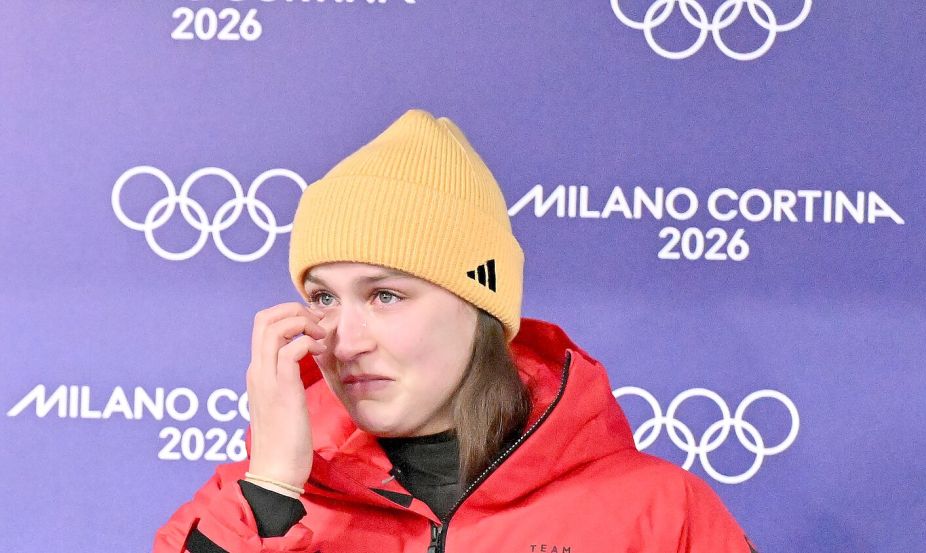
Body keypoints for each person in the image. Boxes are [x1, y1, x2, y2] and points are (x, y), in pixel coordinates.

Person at [154, 109, 758, 553]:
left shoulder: (658, 513)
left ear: (480, 306)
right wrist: (270, 490)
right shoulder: (243, 510)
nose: (344, 338)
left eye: (385, 295)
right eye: (322, 298)